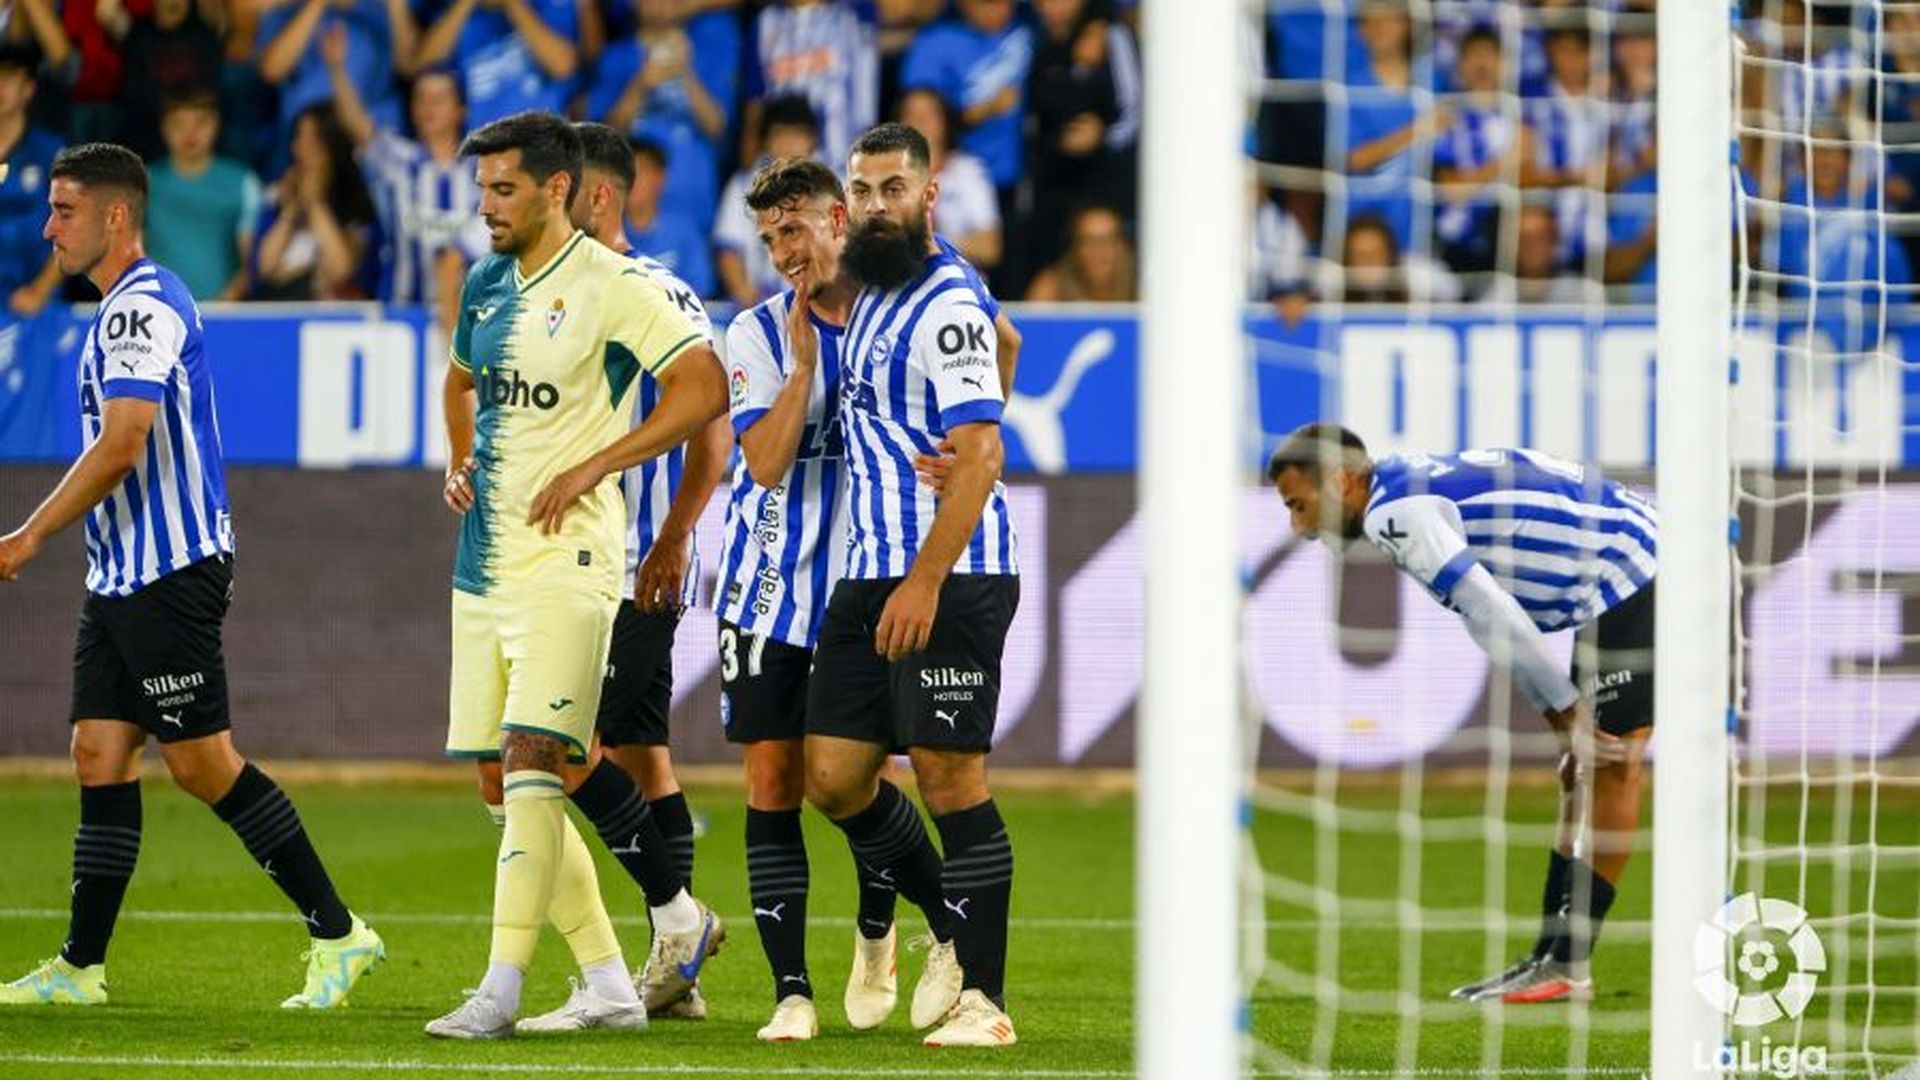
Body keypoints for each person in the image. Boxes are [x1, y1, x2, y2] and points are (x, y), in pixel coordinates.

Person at [0, 142, 385, 1010]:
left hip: (170, 570)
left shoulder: (142, 307)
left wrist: (25, 535)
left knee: (204, 764)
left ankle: (339, 932)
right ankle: (79, 968)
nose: (49, 226)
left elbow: (125, 440)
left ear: (115, 216)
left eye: (65, 210)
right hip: (121, 574)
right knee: (98, 753)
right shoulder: (114, 311)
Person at [425, 111, 728, 1039]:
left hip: (576, 559)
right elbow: (460, 381)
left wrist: (602, 464)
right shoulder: (483, 284)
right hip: (486, 565)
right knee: (498, 775)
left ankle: (500, 989)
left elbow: (706, 390)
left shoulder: (618, 285)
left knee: (537, 762)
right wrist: (463, 461)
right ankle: (608, 976)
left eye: (504, 188)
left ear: (561, 190)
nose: (486, 207)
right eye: (481, 190)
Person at [1266, 423, 1659, 1005]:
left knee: (1611, 763)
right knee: (1583, 770)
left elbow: (1488, 610)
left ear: (1339, 479)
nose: (1299, 528)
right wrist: (1564, 713)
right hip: (1619, 573)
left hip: (1639, 571)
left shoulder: (1394, 514)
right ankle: (1553, 956)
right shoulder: (1400, 483)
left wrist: (1563, 711)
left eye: (1299, 506)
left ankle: (1568, 963)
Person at [809, 121, 1021, 1047]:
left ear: (929, 196)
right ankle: (941, 921)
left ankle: (985, 1000)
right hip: (869, 567)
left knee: (949, 779)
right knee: (834, 777)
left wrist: (927, 578)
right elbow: (1008, 342)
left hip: (948, 573)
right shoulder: (873, 293)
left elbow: (982, 448)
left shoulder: (943, 300)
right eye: (862, 189)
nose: (875, 205)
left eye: (894, 188)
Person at [566, 120, 734, 1022]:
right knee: (643, 756)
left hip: (638, 565)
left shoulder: (660, 295)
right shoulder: (562, 295)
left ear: (597, 195)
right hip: (581, 564)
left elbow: (715, 430)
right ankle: (678, 968)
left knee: (572, 748)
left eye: (561, 190)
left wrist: (673, 537)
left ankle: (682, 927)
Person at [324, 27, 485, 334]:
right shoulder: (399, 161)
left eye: (439, 99)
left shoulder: (483, 172)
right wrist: (337, 69)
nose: (428, 108)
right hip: (400, 320)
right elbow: (357, 125)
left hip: (467, 325)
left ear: (459, 110)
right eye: (421, 99)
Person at [248, 102, 378, 300]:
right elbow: (265, 268)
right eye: (300, 136)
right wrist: (290, 210)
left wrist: (315, 204)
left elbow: (340, 270)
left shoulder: (357, 202)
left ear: (333, 145)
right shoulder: (276, 197)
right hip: (279, 311)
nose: (303, 149)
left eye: (315, 139)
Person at [146, 88, 262, 301]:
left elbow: (251, 263)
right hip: (157, 321)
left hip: (225, 315)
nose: (190, 134)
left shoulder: (243, 182)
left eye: (200, 122)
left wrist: (225, 303)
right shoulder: (143, 184)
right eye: (178, 124)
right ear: (164, 128)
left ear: (216, 124)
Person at [715, 95, 821, 307]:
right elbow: (728, 250)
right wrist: (747, 298)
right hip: (760, 303)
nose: (790, 144)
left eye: (798, 135)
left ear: (812, 139)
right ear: (766, 141)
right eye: (780, 135)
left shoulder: (832, 186)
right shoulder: (744, 184)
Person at [414, 0, 578, 127]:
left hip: (542, 141)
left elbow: (563, 66)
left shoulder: (544, 5)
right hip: (482, 148)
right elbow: (424, 65)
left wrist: (512, 4)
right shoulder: (455, 16)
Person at [896, 88, 1000, 275]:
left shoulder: (969, 173)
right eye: (912, 114)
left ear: (944, 121)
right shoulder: (882, 179)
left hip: (958, 290)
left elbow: (990, 248)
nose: (922, 121)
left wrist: (931, 242)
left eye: (930, 113)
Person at [0, 43, 65, 315]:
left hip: (35, 310)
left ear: (28, 89)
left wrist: (41, 289)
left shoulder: (51, 153)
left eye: (8, 79)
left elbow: (75, 228)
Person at [626, 138, 717, 298]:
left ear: (661, 177)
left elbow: (700, 288)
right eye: (627, 173)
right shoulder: (605, 229)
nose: (633, 181)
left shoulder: (684, 231)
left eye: (642, 171)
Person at [1024, 203, 1134, 302]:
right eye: (1090, 241)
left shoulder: (1143, 288)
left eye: (1109, 241)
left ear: (1123, 246)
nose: (1100, 251)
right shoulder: (1052, 288)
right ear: (1075, 249)